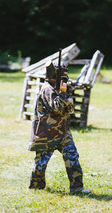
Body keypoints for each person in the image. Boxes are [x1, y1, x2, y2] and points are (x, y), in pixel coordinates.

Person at [28, 60, 91, 194]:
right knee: (41, 162)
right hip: (47, 133)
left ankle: (77, 188)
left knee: (72, 157)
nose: (65, 78)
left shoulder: (59, 89)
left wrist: (65, 94)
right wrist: (62, 93)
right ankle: (36, 187)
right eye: (62, 76)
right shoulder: (47, 89)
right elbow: (57, 109)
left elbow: (70, 110)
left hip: (63, 132)